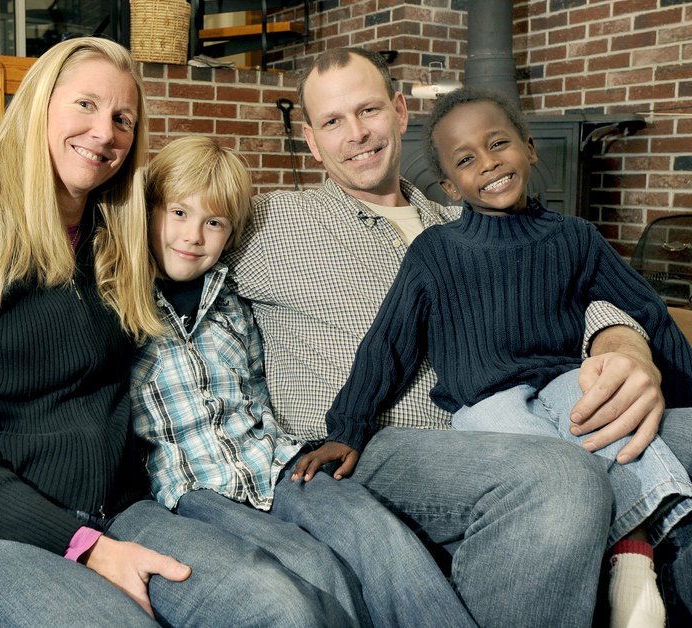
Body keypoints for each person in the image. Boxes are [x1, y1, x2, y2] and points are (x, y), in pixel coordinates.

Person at [0, 37, 364, 627]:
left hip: (119, 512)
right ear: (39, 105)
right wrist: (86, 547)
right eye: (85, 105)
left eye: (122, 118)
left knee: (281, 605)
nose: (104, 132)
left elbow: (202, 248)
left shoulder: (120, 247)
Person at [222, 47, 692, 626]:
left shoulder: (467, 214)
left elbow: (567, 286)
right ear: (313, 143)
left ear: (399, 110)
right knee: (556, 476)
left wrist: (622, 342)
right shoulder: (271, 223)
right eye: (332, 122)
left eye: (368, 110)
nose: (357, 134)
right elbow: (173, 233)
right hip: (371, 446)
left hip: (536, 406)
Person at [132, 135, 476, 627]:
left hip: (277, 461)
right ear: (148, 212)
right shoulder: (122, 300)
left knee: (375, 532)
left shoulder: (233, 298)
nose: (193, 236)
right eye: (178, 214)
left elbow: (255, 382)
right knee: (311, 565)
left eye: (214, 222)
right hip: (193, 488)